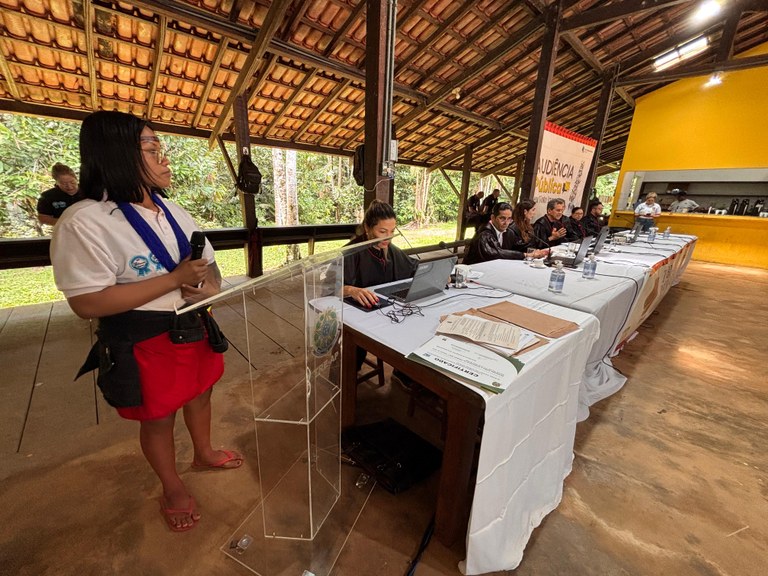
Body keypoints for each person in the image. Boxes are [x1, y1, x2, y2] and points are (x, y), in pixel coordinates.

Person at [50, 111, 239, 533]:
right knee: (158, 416)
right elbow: (87, 302)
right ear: (117, 154)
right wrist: (172, 280)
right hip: (143, 339)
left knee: (202, 393)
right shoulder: (85, 220)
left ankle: (203, 451)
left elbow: (209, 268)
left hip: (194, 326)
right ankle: (172, 486)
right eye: (152, 149)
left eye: (160, 148)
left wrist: (209, 289)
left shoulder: (174, 211)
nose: (164, 158)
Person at [343, 199, 419, 387]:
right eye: (382, 231)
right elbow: (329, 286)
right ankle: (344, 382)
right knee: (350, 358)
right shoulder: (351, 252)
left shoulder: (390, 249)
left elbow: (413, 268)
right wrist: (351, 289)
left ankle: (405, 372)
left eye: (393, 231)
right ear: (368, 228)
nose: (388, 237)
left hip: (386, 310)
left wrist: (437, 273)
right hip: (360, 316)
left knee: (415, 324)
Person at [464, 202, 547, 265]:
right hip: (475, 271)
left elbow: (518, 246)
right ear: (493, 218)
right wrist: (525, 255)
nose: (506, 223)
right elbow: (496, 253)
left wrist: (538, 252)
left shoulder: (508, 232)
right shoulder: (484, 234)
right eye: (502, 218)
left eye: (509, 219)